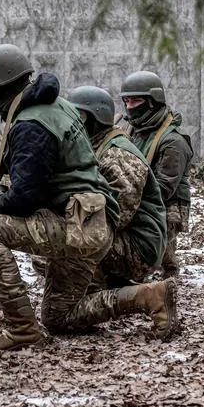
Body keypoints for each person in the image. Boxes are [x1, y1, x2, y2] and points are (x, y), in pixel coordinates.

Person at [0, 45, 178, 352]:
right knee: (58, 317)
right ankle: (148, 296)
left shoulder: (31, 123)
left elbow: (24, 195)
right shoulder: (55, 107)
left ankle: (21, 329)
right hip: (87, 227)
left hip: (80, 227)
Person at [65, 85, 168, 288]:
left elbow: (116, 217)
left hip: (138, 249)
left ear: (95, 119)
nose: (72, 123)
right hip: (123, 238)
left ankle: (100, 289)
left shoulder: (118, 156)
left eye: (79, 117)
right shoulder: (95, 145)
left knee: (60, 241)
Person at [120, 71, 193, 278]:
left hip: (168, 204)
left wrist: (132, 201)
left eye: (136, 101)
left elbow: (165, 187)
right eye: (126, 101)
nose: (129, 106)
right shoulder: (135, 129)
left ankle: (168, 280)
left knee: (161, 254)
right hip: (140, 195)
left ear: (153, 101)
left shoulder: (174, 141)